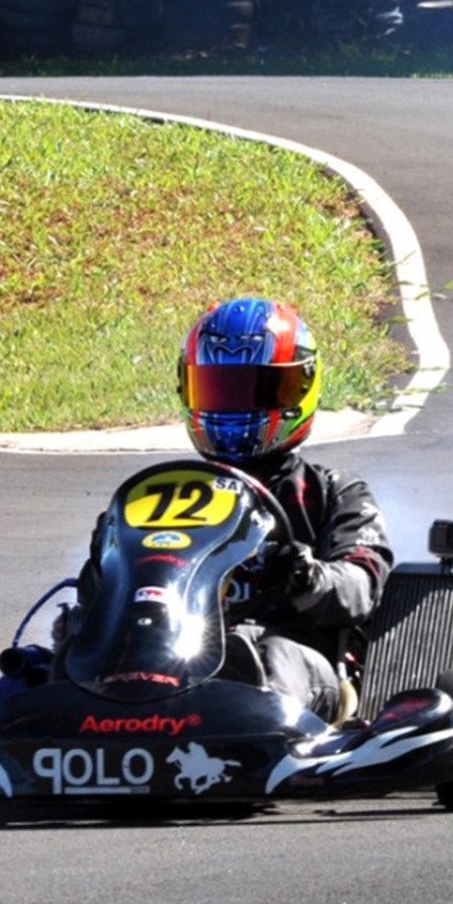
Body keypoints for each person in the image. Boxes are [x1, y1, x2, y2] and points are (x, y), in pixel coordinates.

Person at [113, 296, 393, 722]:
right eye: (219, 391)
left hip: (300, 661)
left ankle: (250, 724)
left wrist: (309, 579)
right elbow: (105, 581)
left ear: (299, 388)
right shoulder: (156, 498)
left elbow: (364, 585)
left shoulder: (333, 492)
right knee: (45, 667)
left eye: (254, 390)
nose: (234, 409)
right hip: (173, 655)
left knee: (265, 655)